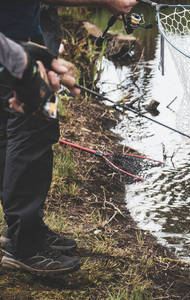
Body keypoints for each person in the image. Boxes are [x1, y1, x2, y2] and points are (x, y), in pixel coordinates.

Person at [0, 0, 135, 276]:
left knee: (14, 135)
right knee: (33, 135)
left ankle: (23, 230)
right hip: (16, 48)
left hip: (19, 49)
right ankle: (25, 245)